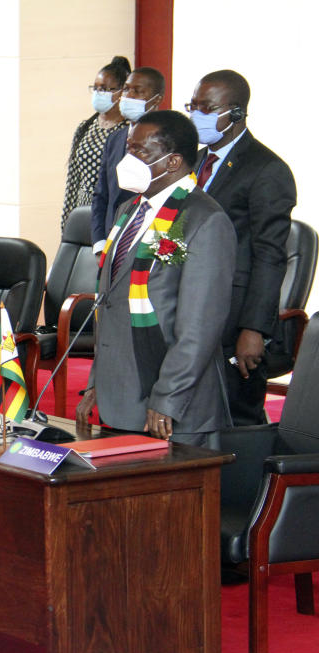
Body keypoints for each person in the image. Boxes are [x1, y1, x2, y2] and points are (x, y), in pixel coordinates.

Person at [76, 110, 236, 447]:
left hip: (172, 409)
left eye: (140, 152)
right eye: (128, 149)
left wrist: (167, 397)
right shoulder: (129, 210)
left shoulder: (204, 221)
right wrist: (96, 382)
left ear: (173, 161)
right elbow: (111, 303)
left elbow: (199, 328)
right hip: (119, 397)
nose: (127, 159)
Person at [187, 70, 297, 426]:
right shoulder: (194, 161)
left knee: (236, 419)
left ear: (235, 113)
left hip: (234, 317)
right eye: (193, 106)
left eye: (206, 107)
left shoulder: (267, 169)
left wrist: (254, 329)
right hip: (192, 306)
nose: (196, 115)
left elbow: (270, 256)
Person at [90, 66, 165, 254]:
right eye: (126, 89)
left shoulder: (166, 141)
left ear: (157, 99)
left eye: (137, 91)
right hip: (109, 243)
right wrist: (99, 243)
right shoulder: (116, 138)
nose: (128, 95)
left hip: (143, 245)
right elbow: (101, 195)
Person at [60, 56, 130, 230]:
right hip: (82, 211)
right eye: (96, 88)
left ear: (121, 92)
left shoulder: (128, 130)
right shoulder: (85, 127)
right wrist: (67, 222)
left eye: (105, 89)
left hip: (111, 213)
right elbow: (73, 179)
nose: (99, 93)